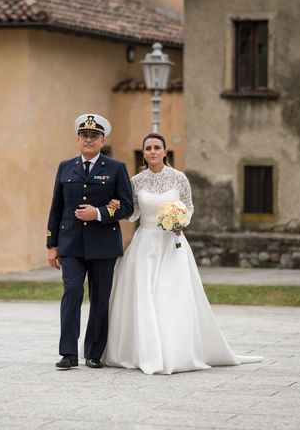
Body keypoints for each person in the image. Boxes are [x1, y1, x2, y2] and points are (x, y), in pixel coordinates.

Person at [103, 133, 262, 375]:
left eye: (157, 147)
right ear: (144, 153)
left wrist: (179, 221)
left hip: (172, 243)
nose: (153, 151)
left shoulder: (179, 178)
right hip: (144, 243)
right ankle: (144, 351)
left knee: (171, 295)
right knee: (144, 294)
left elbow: (188, 208)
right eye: (148, 148)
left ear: (165, 151)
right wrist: (115, 207)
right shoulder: (135, 181)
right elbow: (133, 213)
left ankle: (175, 351)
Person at [46, 114, 134, 369]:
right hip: (71, 243)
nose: (88, 140)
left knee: (99, 298)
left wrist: (97, 213)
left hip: (103, 244)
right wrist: (52, 245)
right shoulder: (65, 167)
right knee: (72, 292)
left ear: (102, 140)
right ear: (78, 139)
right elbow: (56, 207)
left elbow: (127, 207)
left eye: (94, 136)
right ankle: (68, 353)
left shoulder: (115, 168)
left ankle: (94, 353)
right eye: (84, 135)